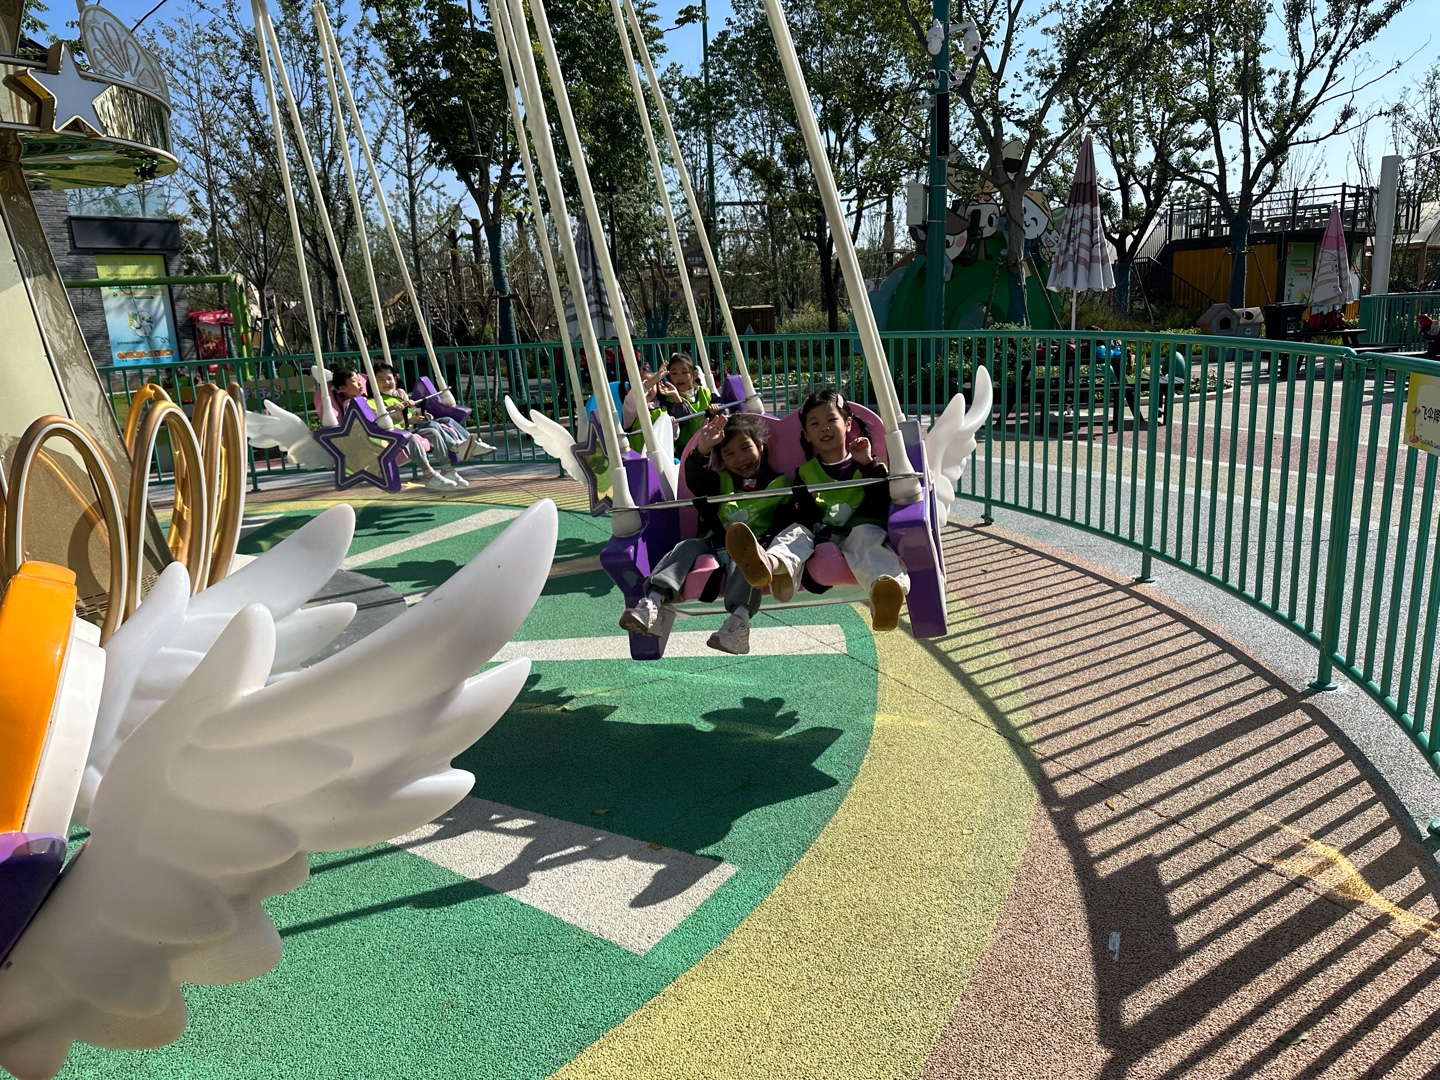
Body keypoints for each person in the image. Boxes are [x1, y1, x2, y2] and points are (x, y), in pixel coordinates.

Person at [619, 412, 812, 655]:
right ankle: (652, 604)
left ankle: (738, 624)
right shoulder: (721, 482)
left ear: (761, 447)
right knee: (687, 546)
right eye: (729, 453)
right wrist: (703, 448)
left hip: (753, 548)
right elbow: (696, 479)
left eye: (746, 448)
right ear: (721, 459)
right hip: (715, 543)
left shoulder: (781, 485)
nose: (740, 458)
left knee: (748, 558)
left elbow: (788, 520)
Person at [793, 387, 908, 631]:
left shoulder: (868, 464)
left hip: (861, 532)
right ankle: (775, 566)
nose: (824, 428)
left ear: (848, 424)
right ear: (807, 435)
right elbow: (803, 514)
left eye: (831, 420)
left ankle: (886, 594)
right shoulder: (804, 473)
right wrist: (807, 504)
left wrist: (866, 463)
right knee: (795, 533)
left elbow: (883, 499)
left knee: (866, 537)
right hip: (825, 536)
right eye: (815, 423)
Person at [331, 364, 458, 491]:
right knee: (410, 438)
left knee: (431, 432)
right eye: (354, 381)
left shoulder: (366, 400)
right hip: (375, 438)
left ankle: (447, 469)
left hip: (392, 430)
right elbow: (367, 421)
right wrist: (389, 411)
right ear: (342, 388)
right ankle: (430, 475)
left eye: (359, 380)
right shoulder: (351, 404)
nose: (360, 384)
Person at [373, 363, 495, 487]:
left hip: (415, 424)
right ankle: (455, 448)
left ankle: (471, 446)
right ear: (373, 382)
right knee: (433, 428)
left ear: (395, 378)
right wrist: (404, 417)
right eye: (381, 379)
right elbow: (384, 422)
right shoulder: (376, 401)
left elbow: (412, 411)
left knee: (447, 420)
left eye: (389, 378)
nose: (386, 382)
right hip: (404, 429)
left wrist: (422, 413)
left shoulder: (400, 393)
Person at [656, 352, 716, 448]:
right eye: (674, 373)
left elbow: (723, 407)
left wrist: (716, 408)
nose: (680, 377)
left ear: (694, 375)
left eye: (684, 372)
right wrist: (676, 397)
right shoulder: (667, 399)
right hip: (683, 449)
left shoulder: (705, 392)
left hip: (708, 444)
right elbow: (684, 420)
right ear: (669, 377)